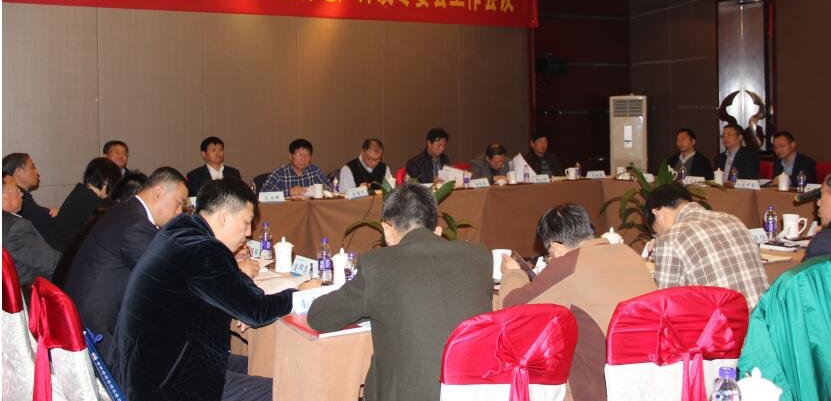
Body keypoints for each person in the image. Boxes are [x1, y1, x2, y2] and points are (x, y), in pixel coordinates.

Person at [111, 178, 320, 401]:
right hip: (164, 384)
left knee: (267, 364)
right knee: (286, 390)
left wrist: (244, 302)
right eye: (246, 223)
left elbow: (234, 284)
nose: (249, 233)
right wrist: (300, 294)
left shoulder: (181, 230)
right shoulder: (203, 250)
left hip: (153, 363)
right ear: (223, 217)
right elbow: (257, 311)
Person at [307, 182, 492, 401]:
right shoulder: (478, 256)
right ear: (434, 225)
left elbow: (319, 317)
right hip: (480, 390)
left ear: (387, 228)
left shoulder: (378, 265)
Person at [499, 203, 655, 401]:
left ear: (555, 247)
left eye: (549, 253)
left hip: (604, 387)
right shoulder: (627, 252)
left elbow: (512, 309)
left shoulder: (569, 264)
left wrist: (513, 274)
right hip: (653, 375)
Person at [63, 167, 189, 358]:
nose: (179, 212)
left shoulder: (124, 211)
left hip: (86, 318)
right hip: (100, 335)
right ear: (158, 192)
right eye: (179, 203)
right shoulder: (135, 225)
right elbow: (171, 273)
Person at [646, 184, 768, 310]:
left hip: (726, 320)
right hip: (764, 316)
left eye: (657, 232)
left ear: (657, 214)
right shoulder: (733, 220)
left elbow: (665, 305)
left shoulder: (670, 237)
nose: (660, 235)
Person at [2, 173, 61, 298]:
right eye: (17, 189)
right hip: (34, 298)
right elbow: (54, 263)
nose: (21, 194)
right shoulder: (15, 227)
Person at [46, 157, 122, 252]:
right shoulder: (90, 200)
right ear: (105, 181)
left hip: (62, 251)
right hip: (64, 255)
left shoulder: (81, 192)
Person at [2, 152, 58, 238]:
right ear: (18, 172)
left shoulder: (25, 198)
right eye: (32, 167)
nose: (37, 172)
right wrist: (58, 214)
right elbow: (49, 222)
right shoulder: (19, 202)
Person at [261, 138, 332, 197]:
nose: (303, 158)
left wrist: (318, 190)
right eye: (298, 154)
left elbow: (331, 188)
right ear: (291, 156)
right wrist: (289, 192)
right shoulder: (280, 172)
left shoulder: (315, 170)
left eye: (307, 155)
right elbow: (263, 193)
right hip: (288, 209)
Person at [804, 174, 831, 260]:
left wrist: (820, 237)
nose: (818, 203)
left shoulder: (822, 242)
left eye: (821, 195)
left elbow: (805, 268)